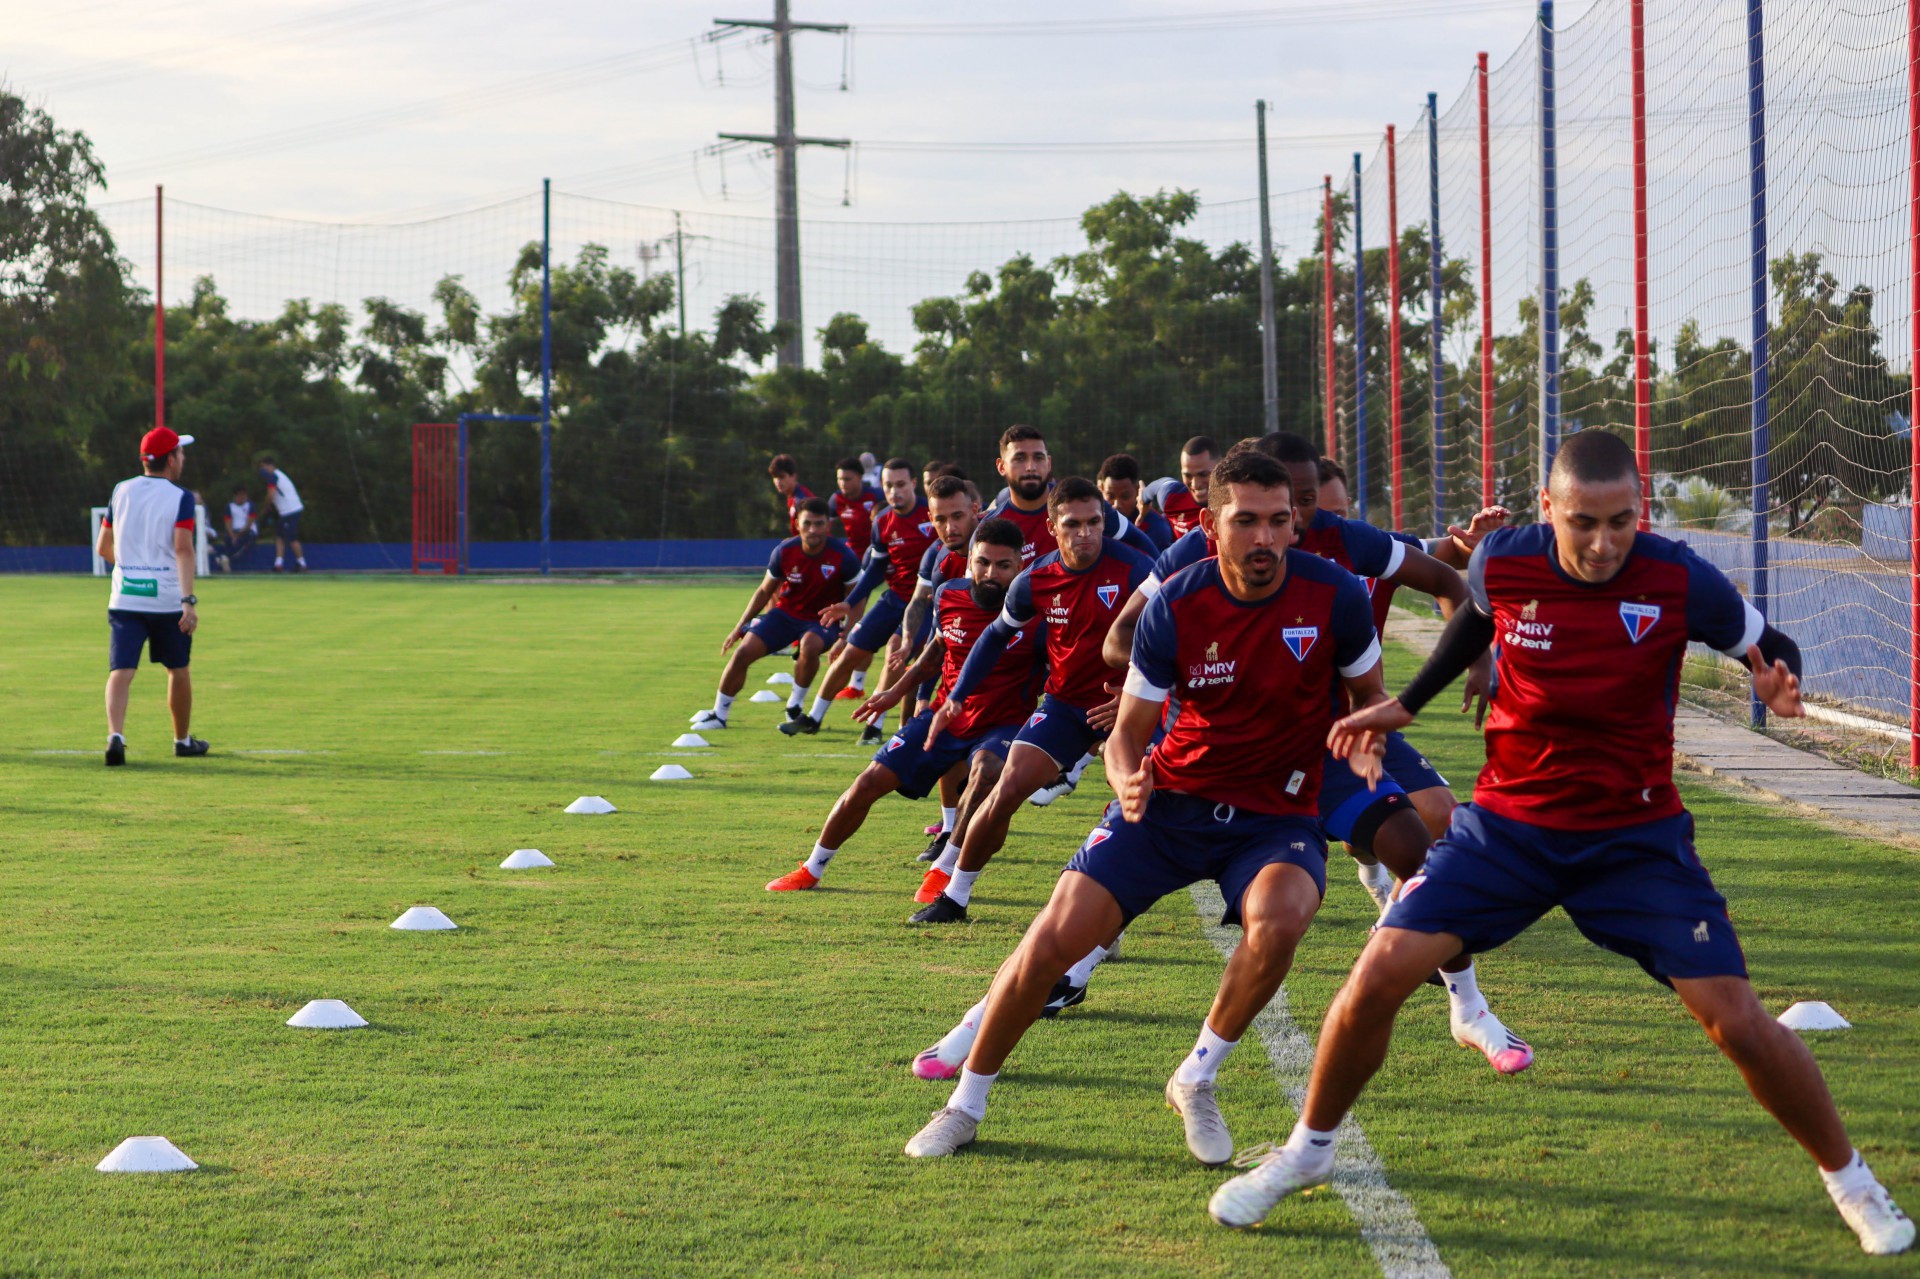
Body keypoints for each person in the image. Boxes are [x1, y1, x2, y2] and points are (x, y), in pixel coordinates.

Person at [1207, 430, 1915, 1259]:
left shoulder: (1677, 573)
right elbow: (1476, 619)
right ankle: (1307, 1151)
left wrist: (1779, 677)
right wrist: (1406, 702)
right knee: (1378, 973)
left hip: (1634, 838)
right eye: (1584, 521)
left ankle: (1853, 1183)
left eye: (1621, 521)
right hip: (1507, 827)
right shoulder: (1505, 559)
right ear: (1549, 510)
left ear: (1639, 512)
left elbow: (1767, 641)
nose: (1605, 541)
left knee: (1739, 1020)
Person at [903, 450, 1387, 1163]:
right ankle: (965, 1103)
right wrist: (1127, 777)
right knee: (1047, 946)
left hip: (1274, 815)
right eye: (1245, 520)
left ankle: (1195, 1076)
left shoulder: (1336, 594)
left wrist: (1369, 734)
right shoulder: (1177, 603)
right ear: (1208, 525)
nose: (1265, 538)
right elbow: (1126, 736)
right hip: (1166, 805)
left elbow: (1369, 696)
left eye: (1279, 521)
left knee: (1281, 919)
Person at [907, 478, 1153, 926]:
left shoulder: (1137, 569)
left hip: (1132, 705)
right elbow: (994, 636)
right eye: (1072, 524)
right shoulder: (1034, 579)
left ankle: (1109, 917)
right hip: (1063, 705)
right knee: (1006, 788)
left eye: (1094, 522)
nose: (1085, 534)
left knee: (1139, 808)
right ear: (1051, 527)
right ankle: (954, 897)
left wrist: (1137, 694)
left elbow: (1174, 639)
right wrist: (956, 697)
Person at [764, 519, 1040, 892]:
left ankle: (944, 870)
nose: (990, 574)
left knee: (986, 771)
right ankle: (812, 868)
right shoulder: (949, 594)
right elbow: (934, 655)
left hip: (1004, 724)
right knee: (868, 781)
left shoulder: (1039, 612)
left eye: (1003, 566)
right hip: (946, 716)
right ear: (970, 561)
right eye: (982, 563)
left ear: (1019, 566)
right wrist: (895, 692)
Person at [784, 460, 935, 741]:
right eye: (888, 486)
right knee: (850, 651)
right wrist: (849, 602)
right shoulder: (883, 521)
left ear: (913, 484)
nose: (894, 491)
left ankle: (875, 725)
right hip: (895, 599)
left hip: (928, 604)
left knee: (894, 653)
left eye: (901, 484)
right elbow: (876, 569)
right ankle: (814, 717)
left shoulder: (933, 512)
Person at [690, 499, 858, 732]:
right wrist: (740, 625)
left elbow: (856, 599)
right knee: (743, 652)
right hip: (784, 615)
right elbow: (764, 590)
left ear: (828, 526)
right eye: (807, 523)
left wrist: (846, 633)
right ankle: (719, 714)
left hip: (822, 619)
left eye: (819, 524)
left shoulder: (843, 556)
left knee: (809, 646)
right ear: (797, 524)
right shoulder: (784, 551)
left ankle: (795, 705)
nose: (813, 529)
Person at [98, 426, 209, 765]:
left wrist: (131, 569)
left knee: (121, 669)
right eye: (181, 452)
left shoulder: (120, 491)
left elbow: (104, 547)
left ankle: (115, 736)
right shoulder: (181, 497)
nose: (183, 458)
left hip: (125, 598)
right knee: (177, 668)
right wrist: (188, 601)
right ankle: (181, 740)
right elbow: (183, 548)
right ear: (171, 460)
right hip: (166, 600)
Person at [1141, 434, 1218, 539]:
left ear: (1220, 466)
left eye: (1203, 474)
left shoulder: (1235, 504)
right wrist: (1143, 501)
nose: (1196, 484)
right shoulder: (1172, 498)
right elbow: (1153, 488)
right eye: (1188, 476)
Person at [1097, 453, 1174, 550]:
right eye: (1110, 496)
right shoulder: (1091, 524)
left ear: (1138, 490)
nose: (1117, 505)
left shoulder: (1157, 529)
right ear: (1101, 489)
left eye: (1125, 497)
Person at [256, 455, 306, 572]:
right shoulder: (278, 475)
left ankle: (302, 563)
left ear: (270, 466)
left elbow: (271, 494)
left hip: (291, 510)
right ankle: (278, 563)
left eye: (263, 467)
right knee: (279, 536)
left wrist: (266, 507)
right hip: (285, 512)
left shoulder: (273, 476)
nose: (262, 470)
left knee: (292, 537)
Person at [827, 456, 883, 558]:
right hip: (851, 554)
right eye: (839, 479)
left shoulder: (877, 496)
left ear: (860, 478)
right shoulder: (836, 499)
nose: (843, 483)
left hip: (875, 553)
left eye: (847, 479)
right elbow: (825, 529)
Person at [213, 483, 256, 571]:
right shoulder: (229, 507)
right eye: (240, 495)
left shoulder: (251, 505)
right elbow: (228, 523)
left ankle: (223, 557)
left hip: (247, 531)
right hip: (234, 531)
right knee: (227, 538)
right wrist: (232, 535)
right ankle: (224, 559)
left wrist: (239, 534)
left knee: (245, 538)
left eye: (244, 495)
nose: (242, 497)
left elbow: (249, 523)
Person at [767, 454, 812, 534]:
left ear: (794, 476)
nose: (778, 481)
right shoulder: (792, 497)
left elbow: (810, 533)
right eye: (775, 477)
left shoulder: (801, 500)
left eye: (782, 477)